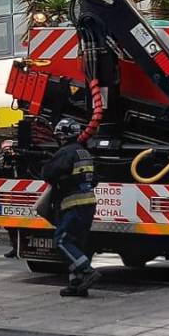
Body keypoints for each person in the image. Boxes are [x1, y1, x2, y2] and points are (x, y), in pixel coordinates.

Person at [42, 119, 101, 297]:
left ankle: (87, 271)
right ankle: (77, 284)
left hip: (73, 205)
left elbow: (48, 173)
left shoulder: (65, 152)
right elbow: (95, 179)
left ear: (62, 136)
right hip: (88, 204)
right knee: (76, 244)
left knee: (62, 241)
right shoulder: (84, 152)